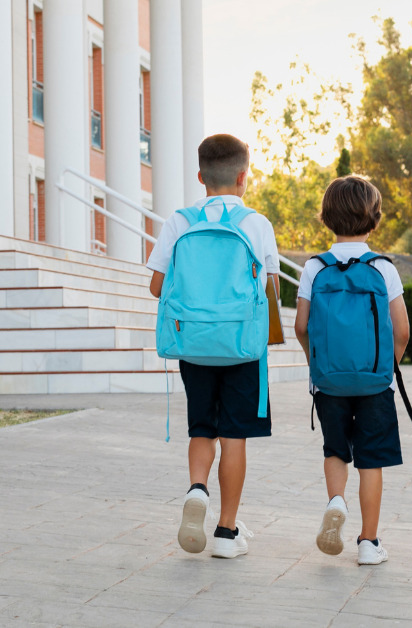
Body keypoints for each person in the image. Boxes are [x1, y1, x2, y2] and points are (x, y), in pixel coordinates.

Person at [146, 133, 279, 559]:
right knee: (234, 436)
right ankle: (226, 531)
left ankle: (198, 487)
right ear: (244, 177)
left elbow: (156, 286)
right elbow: (271, 293)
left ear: (200, 176)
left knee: (202, 426)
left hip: (194, 344)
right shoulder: (257, 224)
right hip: (242, 346)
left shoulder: (179, 221)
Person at [294, 175, 410, 566]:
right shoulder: (382, 268)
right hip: (375, 382)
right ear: (374, 219)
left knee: (335, 450)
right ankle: (369, 542)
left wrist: (318, 365)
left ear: (326, 217)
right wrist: (386, 367)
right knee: (370, 460)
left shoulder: (314, 267)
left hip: (329, 382)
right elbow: (402, 329)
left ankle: (336, 500)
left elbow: (300, 325)